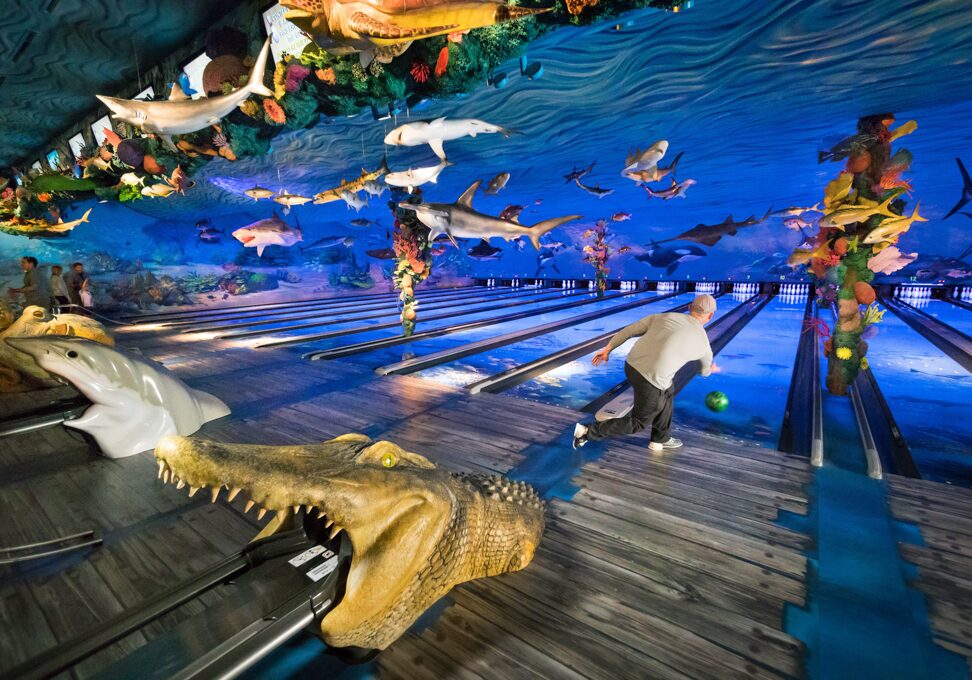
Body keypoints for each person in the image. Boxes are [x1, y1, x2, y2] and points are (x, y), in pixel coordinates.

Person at [573, 294, 721, 452]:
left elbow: (629, 331)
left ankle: (660, 439)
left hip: (631, 366)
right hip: (651, 379)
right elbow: (703, 372)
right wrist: (710, 368)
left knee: (668, 390)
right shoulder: (704, 344)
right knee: (638, 422)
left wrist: (607, 350)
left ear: (689, 307)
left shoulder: (663, 317)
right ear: (711, 315)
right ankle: (587, 432)